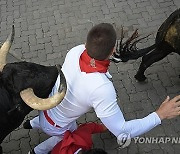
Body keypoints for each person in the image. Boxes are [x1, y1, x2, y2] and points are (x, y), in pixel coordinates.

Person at [24, 23, 180, 154]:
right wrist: (160, 115)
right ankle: (37, 151)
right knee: (70, 134)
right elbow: (122, 130)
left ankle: (31, 124)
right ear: (112, 51)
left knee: (51, 119)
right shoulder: (102, 88)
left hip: (44, 110)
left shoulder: (75, 51)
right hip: (57, 127)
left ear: (87, 43)